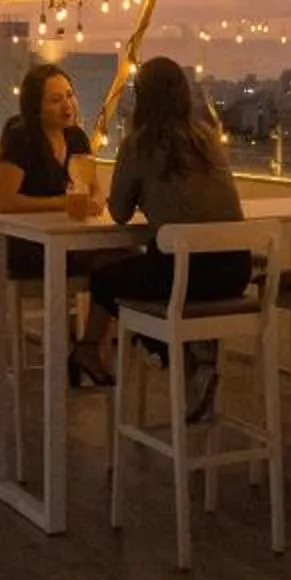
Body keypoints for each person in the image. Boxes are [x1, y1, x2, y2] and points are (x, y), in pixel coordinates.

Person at [92, 57, 247, 414]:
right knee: (148, 272)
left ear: (141, 97)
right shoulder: (207, 138)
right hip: (234, 273)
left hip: (183, 276)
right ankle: (194, 357)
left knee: (104, 278)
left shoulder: (139, 144)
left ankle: (179, 356)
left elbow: (119, 213)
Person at [0, 62, 105, 353]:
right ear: (35, 107)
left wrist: (95, 201)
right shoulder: (22, 137)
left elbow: (95, 189)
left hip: (70, 240)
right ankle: (82, 348)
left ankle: (89, 346)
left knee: (123, 260)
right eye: (55, 100)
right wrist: (60, 203)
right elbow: (4, 201)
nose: (67, 105)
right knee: (113, 263)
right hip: (29, 245)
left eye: (70, 95)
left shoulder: (76, 138)